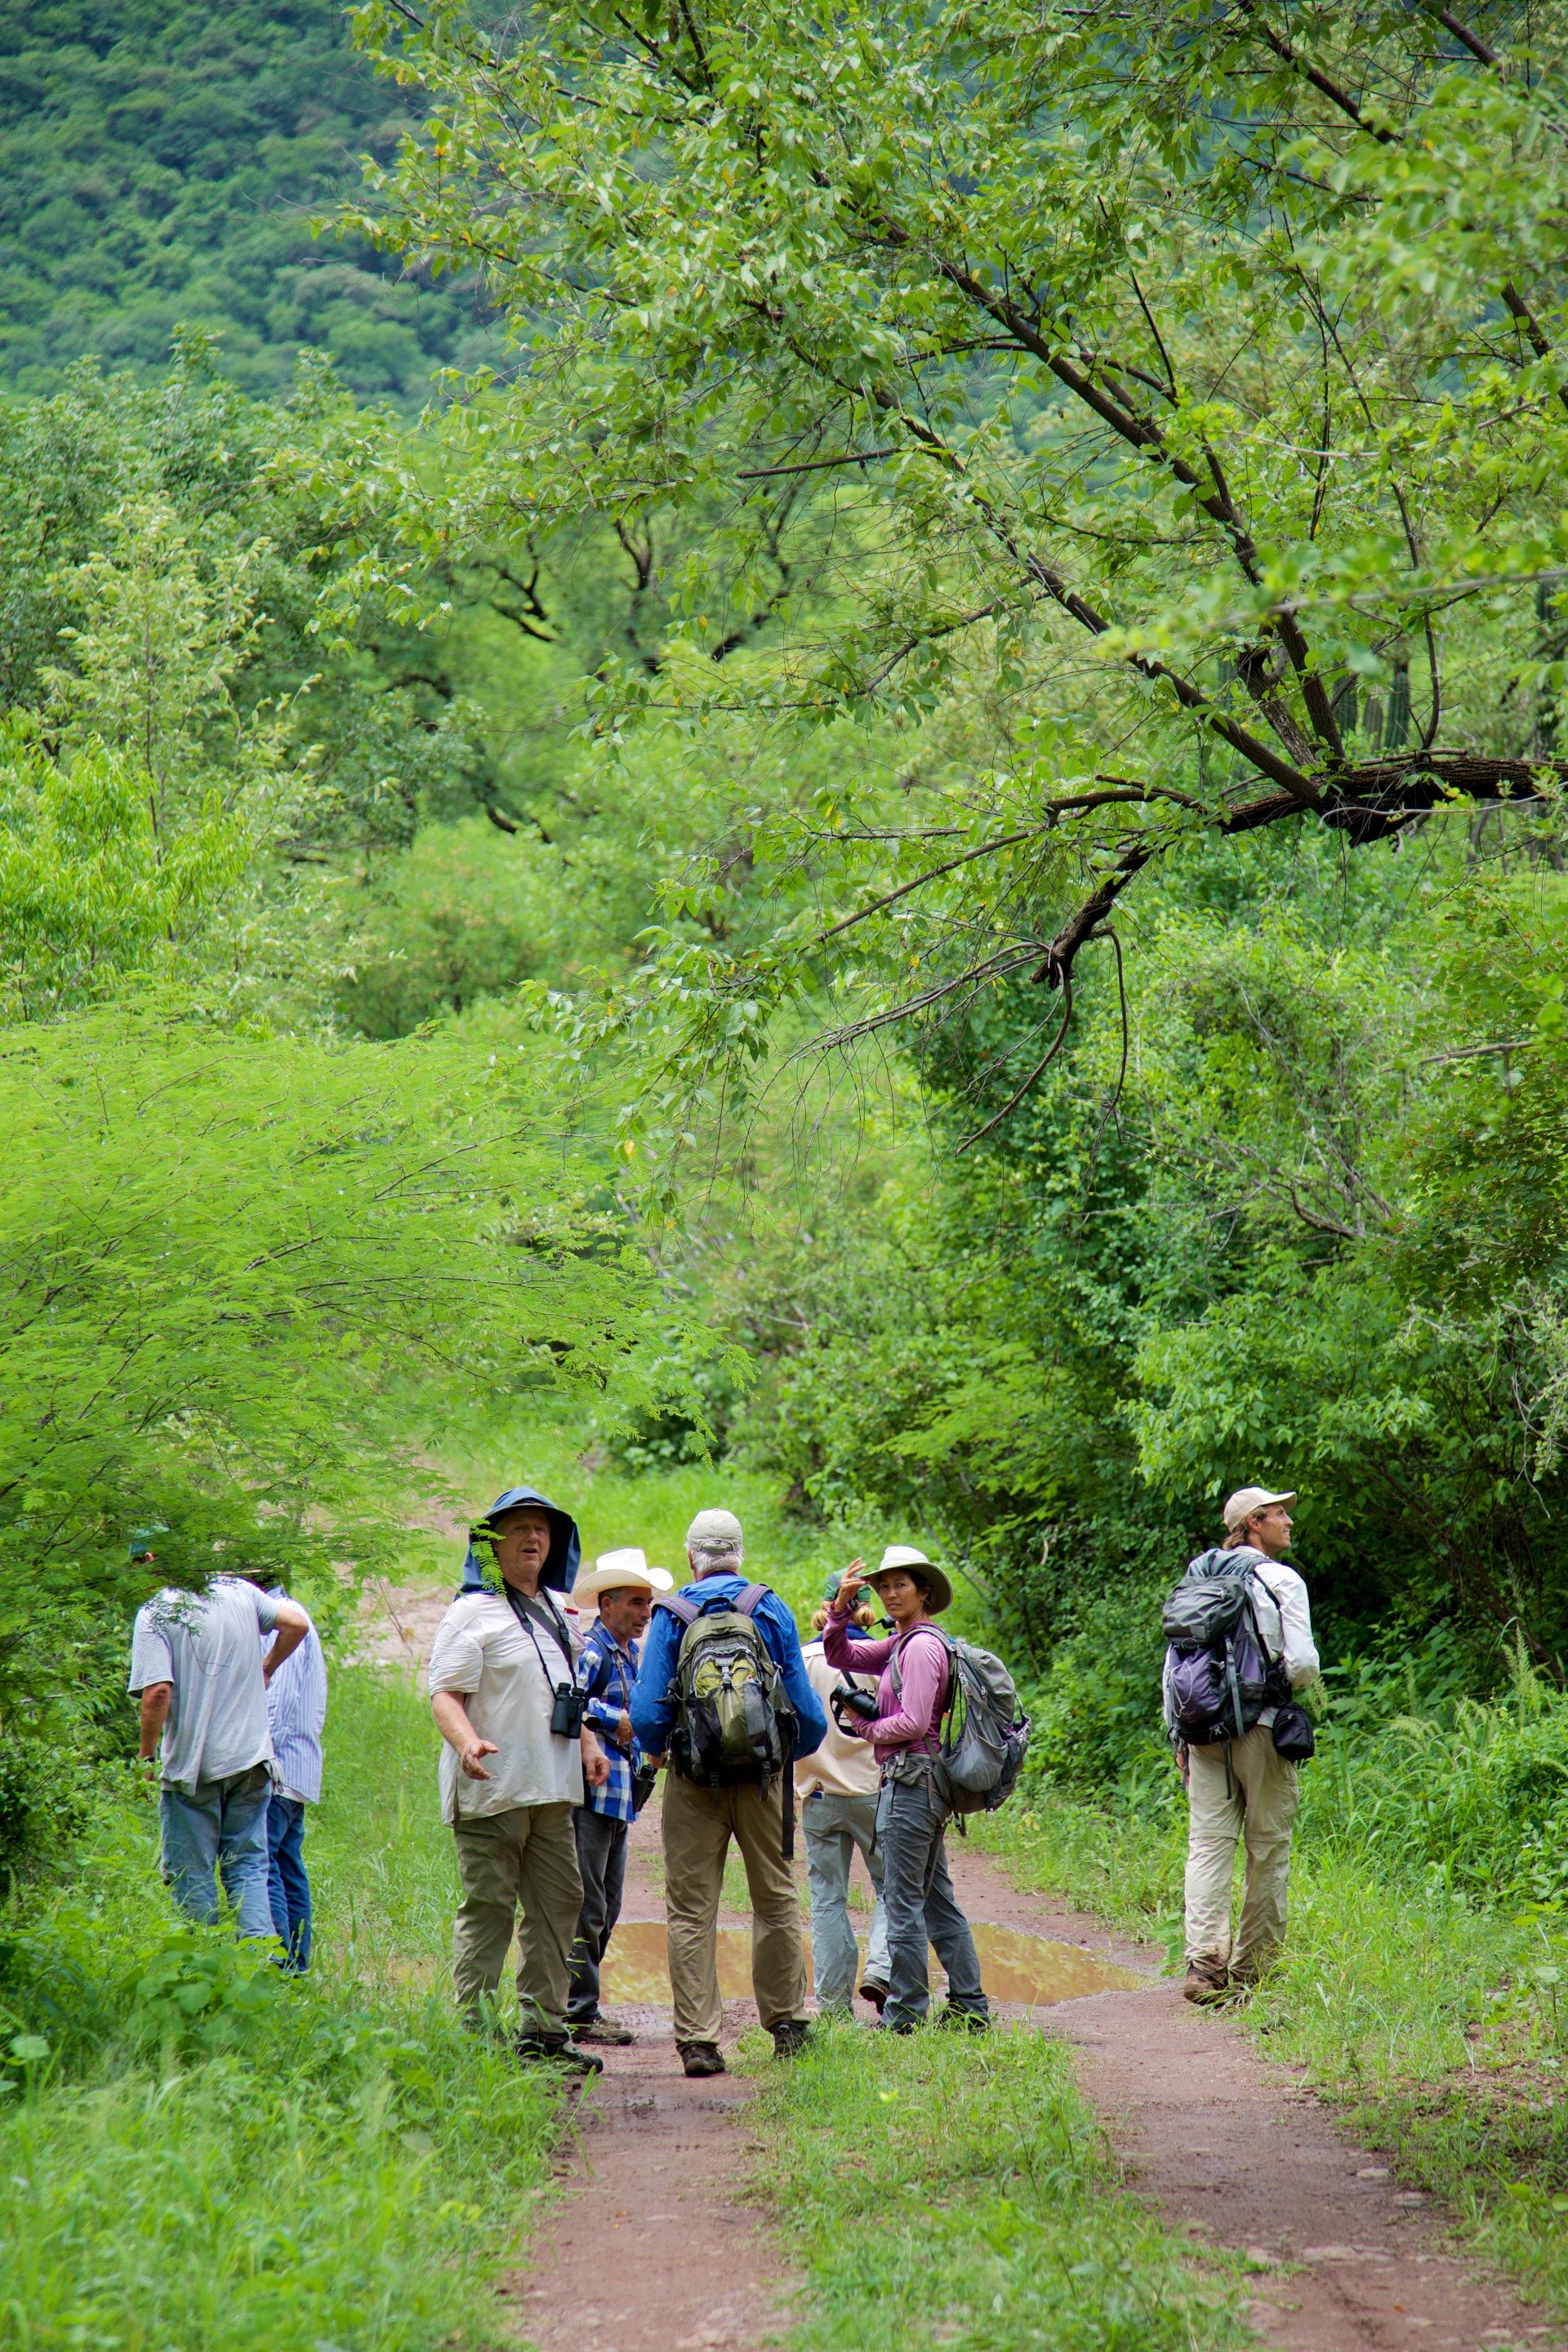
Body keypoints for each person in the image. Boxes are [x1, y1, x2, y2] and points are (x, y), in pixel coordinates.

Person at [630, 1507, 827, 2079]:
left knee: (692, 1909)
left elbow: (646, 1715)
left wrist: (674, 1744)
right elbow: (809, 1719)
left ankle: (699, 2042)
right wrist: (776, 1753)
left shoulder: (671, 1616)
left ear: (692, 1557)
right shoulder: (769, 1609)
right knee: (775, 1897)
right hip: (764, 1784)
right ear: (739, 1555)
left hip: (693, 1786)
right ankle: (787, 2024)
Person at [426, 1486, 612, 2075]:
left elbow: (563, 1695)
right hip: (493, 1792)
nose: (532, 1538)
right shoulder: (469, 1613)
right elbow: (444, 1696)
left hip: (553, 1794)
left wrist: (587, 1741)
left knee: (560, 1906)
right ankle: (474, 2036)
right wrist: (466, 1742)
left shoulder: (560, 1611)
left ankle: (544, 2035)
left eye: (542, 1530)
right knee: (489, 1911)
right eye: (518, 1529)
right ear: (492, 1543)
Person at [825, 1544, 989, 2034]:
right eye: (884, 1586)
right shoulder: (904, 1641)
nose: (891, 1593)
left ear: (924, 1592)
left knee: (902, 1902)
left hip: (911, 1781)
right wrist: (839, 1610)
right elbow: (841, 1653)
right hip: (922, 1781)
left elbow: (915, 1721)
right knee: (937, 1899)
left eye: (902, 1585)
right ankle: (969, 2006)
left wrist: (864, 1726)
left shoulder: (918, 1647)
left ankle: (906, 2013)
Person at [1178, 1486, 1320, 2004]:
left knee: (1209, 1845)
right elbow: (1303, 1666)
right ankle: (1253, 1971)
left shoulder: (1200, 1576)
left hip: (1201, 1732)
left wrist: (1179, 1729)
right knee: (1268, 1845)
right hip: (1262, 1727)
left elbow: (1177, 1659)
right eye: (1280, 1514)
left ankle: (1204, 1966)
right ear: (1255, 1522)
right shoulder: (1281, 1578)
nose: (1288, 1522)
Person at [128, 1566, 310, 1936]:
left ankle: (202, 1969)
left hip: (195, 1771)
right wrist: (267, 1666)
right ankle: (260, 1970)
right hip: (252, 1762)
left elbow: (158, 1691)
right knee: (249, 1868)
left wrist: (146, 1758)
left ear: (149, 1558)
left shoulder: (156, 1611)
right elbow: (296, 1623)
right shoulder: (238, 1590)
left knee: (192, 1873)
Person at [565, 1546, 672, 2047]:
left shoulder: (629, 1655)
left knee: (606, 1906)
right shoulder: (592, 1651)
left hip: (617, 1799)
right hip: (591, 1799)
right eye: (634, 1602)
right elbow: (569, 1706)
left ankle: (579, 2007)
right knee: (589, 1906)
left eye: (647, 1603)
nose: (644, 1613)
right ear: (606, 1604)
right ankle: (579, 2013)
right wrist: (618, 1721)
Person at [799, 1576, 891, 2016]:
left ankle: (834, 2008)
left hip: (819, 1793)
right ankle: (882, 1966)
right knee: (894, 1888)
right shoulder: (883, 1657)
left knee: (828, 1899)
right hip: (875, 1792)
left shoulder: (802, 1658)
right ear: (867, 1610)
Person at [237, 1568, 327, 1974]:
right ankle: (296, 1967)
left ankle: (278, 1968)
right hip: (294, 1769)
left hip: (278, 1768)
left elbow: (280, 1700)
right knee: (287, 1866)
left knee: (267, 1865)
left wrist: (260, 1760)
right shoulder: (286, 1613)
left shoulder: (280, 1618)